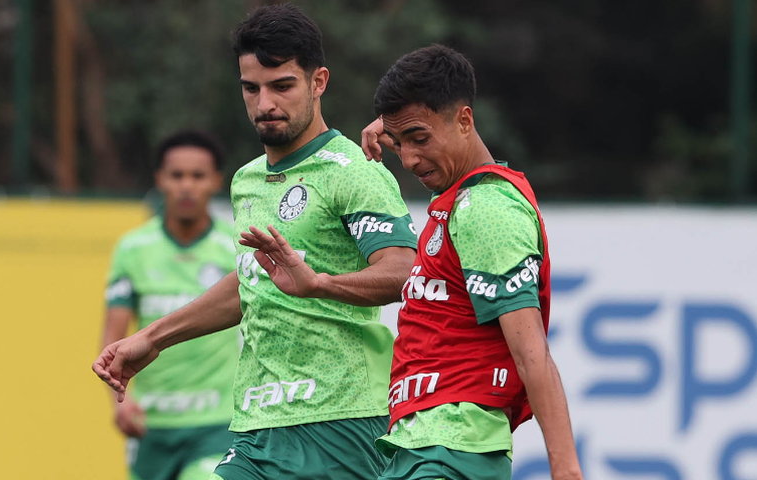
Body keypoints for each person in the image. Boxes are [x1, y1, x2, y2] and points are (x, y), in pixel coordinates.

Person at [93, 4, 418, 480]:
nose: (265, 103)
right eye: (252, 88)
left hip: (342, 419)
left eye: (282, 86)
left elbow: (404, 271)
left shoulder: (353, 172)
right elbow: (252, 282)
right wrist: (151, 338)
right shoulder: (247, 181)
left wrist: (319, 284)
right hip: (258, 424)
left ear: (318, 82)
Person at [356, 44, 584, 480]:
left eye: (419, 139)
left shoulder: (487, 209)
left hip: (451, 449)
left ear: (465, 121)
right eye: (399, 142)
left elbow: (532, 353)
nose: (407, 159)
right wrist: (403, 127)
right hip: (420, 446)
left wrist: (567, 471)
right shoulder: (459, 201)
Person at [102, 129, 239, 480]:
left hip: (218, 421)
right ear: (160, 179)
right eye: (177, 175)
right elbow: (112, 337)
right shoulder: (132, 249)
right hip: (150, 424)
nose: (187, 186)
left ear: (215, 181)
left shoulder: (235, 247)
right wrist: (118, 400)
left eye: (198, 175)